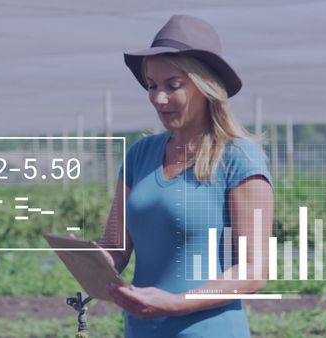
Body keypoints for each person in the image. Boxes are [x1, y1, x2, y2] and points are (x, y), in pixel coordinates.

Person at [97, 14, 274, 337]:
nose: (158, 98)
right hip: (141, 330)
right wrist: (90, 261)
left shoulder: (238, 159)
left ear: (205, 86)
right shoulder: (140, 155)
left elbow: (254, 270)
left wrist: (177, 303)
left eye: (172, 86)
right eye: (152, 86)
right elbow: (115, 246)